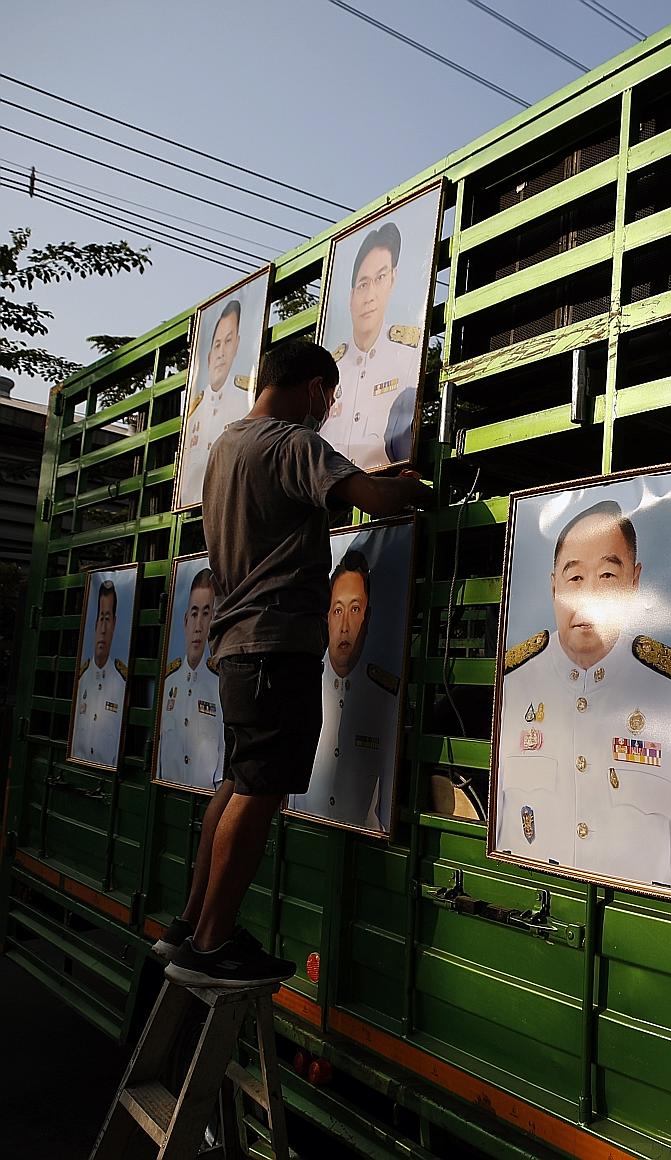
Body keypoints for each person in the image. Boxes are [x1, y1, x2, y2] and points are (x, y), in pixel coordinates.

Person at [156, 337, 431, 987]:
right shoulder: (295, 443)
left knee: (238, 783)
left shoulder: (228, 447)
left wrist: (366, 485)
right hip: (277, 645)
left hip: (238, 649)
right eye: (329, 398)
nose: (328, 411)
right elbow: (378, 501)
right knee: (259, 791)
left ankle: (194, 925)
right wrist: (410, 487)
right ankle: (213, 941)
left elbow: (310, 501)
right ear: (313, 389)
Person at [494, 500, 671, 892]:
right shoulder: (513, 683)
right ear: (553, 584)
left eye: (606, 576)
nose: (588, 597)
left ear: (634, 582)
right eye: (574, 579)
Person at [287, 549, 402, 832]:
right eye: (337, 610)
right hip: (301, 826)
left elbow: (385, 805)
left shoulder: (385, 694)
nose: (345, 626)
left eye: (355, 609)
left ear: (369, 616)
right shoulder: (303, 681)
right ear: (326, 616)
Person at [320, 221, 422, 471]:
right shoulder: (330, 369)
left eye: (381, 278)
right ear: (351, 295)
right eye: (363, 284)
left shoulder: (409, 358)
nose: (370, 296)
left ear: (393, 281)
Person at [178, 297, 251, 506]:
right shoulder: (195, 410)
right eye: (217, 344)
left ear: (237, 346)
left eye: (228, 342)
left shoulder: (244, 401)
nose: (221, 353)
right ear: (209, 356)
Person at [156, 567, 223, 790]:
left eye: (206, 614)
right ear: (185, 621)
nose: (198, 626)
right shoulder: (168, 684)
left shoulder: (221, 685)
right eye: (194, 613)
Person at [72, 578, 129, 768]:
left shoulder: (122, 681)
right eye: (101, 619)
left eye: (108, 620)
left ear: (114, 624)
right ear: (95, 624)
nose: (103, 630)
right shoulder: (82, 678)